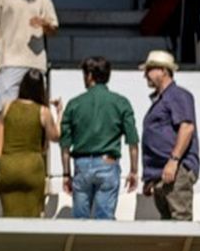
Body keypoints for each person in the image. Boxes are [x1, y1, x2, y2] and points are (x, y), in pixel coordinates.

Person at [59, 56, 141, 220]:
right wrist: (133, 171)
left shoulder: (74, 104)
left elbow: (65, 144)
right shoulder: (121, 102)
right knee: (105, 219)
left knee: (80, 221)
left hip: (81, 164)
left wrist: (66, 174)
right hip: (108, 163)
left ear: (89, 76)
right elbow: (133, 141)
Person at [141, 48, 200, 220]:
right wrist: (151, 177)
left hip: (174, 170)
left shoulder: (177, 95)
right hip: (163, 172)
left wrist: (174, 161)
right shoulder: (164, 99)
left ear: (164, 71)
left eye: (149, 70)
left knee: (179, 220)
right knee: (168, 225)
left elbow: (187, 127)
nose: (145, 75)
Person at [0, 69, 58, 218]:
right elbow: (55, 136)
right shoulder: (43, 111)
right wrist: (59, 113)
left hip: (8, 166)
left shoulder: (7, 107)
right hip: (31, 168)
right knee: (32, 217)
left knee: (8, 215)